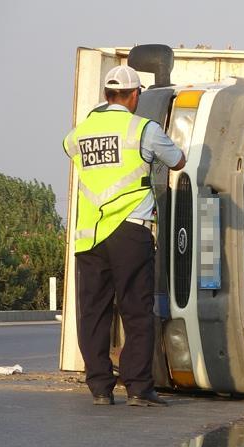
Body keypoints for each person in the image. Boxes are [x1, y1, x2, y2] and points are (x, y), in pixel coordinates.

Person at [63, 65, 185, 407]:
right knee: (136, 309)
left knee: (93, 311)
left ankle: (101, 388)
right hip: (131, 230)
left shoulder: (82, 132)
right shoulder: (143, 128)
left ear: (105, 95)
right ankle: (138, 388)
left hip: (90, 236)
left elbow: (67, 147)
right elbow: (177, 160)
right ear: (135, 96)